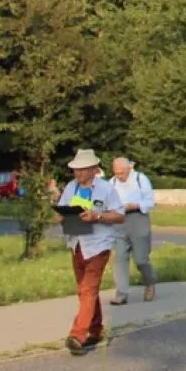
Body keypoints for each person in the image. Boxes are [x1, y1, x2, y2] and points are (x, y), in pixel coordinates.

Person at [48, 149, 125, 355]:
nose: (78, 174)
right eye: (75, 170)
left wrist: (97, 217)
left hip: (98, 244)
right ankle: (96, 330)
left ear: (93, 169)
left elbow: (119, 215)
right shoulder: (71, 188)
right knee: (85, 290)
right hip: (77, 243)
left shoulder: (106, 189)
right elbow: (61, 210)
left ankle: (77, 335)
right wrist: (60, 217)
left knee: (88, 289)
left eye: (82, 170)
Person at [107, 156, 158, 304]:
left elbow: (150, 202)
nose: (118, 175)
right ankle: (121, 294)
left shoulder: (140, 180)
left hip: (138, 217)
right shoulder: (112, 183)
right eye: (116, 172)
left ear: (129, 168)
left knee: (141, 259)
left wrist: (134, 205)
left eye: (121, 172)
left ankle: (149, 282)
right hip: (119, 220)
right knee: (120, 257)